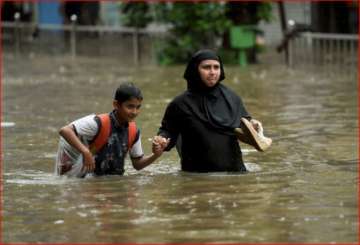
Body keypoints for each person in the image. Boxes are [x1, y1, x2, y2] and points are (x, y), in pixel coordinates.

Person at [156, 49, 271, 173]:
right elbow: (167, 132)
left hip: (235, 175)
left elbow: (245, 124)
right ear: (195, 70)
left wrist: (254, 125)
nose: (212, 72)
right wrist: (161, 141)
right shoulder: (180, 104)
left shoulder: (232, 98)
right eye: (206, 67)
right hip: (197, 179)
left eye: (216, 67)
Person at [55, 82, 169, 178]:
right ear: (116, 104)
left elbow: (137, 164)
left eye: (138, 107)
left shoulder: (133, 132)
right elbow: (65, 130)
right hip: (80, 177)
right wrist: (85, 152)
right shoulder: (97, 123)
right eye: (130, 106)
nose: (134, 112)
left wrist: (156, 155)